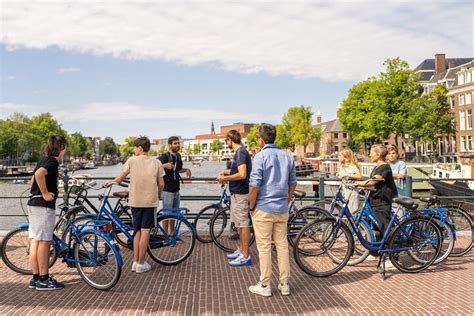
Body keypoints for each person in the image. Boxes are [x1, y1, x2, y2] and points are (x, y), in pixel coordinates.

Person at [248, 123, 297, 297]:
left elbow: (254, 185)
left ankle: (265, 284)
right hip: (281, 208)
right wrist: (287, 199)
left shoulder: (260, 157)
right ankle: (284, 284)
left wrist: (251, 206)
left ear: (261, 140)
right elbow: (292, 183)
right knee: (282, 246)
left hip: (263, 207)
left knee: (264, 247)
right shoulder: (287, 156)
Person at [111, 136, 164, 273]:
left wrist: (111, 182)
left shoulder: (131, 160)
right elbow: (161, 184)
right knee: (146, 231)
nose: (134, 150)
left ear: (140, 148)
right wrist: (158, 195)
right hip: (149, 201)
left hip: (135, 201)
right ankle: (141, 263)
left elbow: (120, 178)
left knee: (137, 231)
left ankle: (135, 262)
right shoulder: (156, 162)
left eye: (135, 147)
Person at [27, 135, 68, 290]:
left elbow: (34, 176)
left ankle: (35, 278)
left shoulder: (43, 160)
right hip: (43, 206)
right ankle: (44, 279)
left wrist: (39, 190)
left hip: (33, 204)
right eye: (65, 148)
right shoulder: (52, 162)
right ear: (61, 147)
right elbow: (38, 175)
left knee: (35, 241)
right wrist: (45, 192)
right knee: (44, 241)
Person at [216, 130, 252, 266]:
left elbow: (242, 174)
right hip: (237, 194)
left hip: (241, 194)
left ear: (230, 140)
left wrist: (225, 178)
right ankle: (242, 250)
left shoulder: (241, 152)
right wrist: (226, 172)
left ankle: (246, 256)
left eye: (226, 141)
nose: (226, 143)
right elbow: (238, 171)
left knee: (243, 224)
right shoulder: (240, 152)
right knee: (239, 224)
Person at [360, 144, 398, 239]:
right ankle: (380, 250)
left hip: (382, 201)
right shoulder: (376, 168)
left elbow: (374, 180)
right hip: (375, 200)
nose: (370, 155)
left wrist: (359, 183)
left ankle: (393, 249)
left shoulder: (385, 167)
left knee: (384, 227)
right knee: (377, 227)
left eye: (371, 153)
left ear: (378, 155)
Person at [158, 136, 192, 233]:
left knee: (174, 214)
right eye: (175, 143)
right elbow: (153, 165)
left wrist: (186, 169)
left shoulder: (178, 156)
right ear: (169, 145)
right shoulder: (165, 156)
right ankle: (165, 235)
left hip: (176, 189)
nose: (177, 145)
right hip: (167, 190)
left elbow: (178, 169)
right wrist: (165, 165)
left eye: (178, 143)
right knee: (166, 215)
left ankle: (171, 234)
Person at [336, 149, 362, 213]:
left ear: (346, 157)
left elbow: (359, 176)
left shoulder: (351, 166)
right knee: (346, 212)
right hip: (345, 192)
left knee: (352, 213)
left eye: (340, 155)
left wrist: (346, 174)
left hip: (352, 193)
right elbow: (343, 176)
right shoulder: (342, 166)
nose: (338, 157)